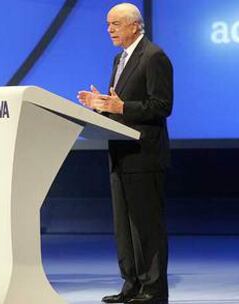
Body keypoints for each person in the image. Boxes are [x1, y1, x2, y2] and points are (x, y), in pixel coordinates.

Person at [77, 3, 173, 304]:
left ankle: (153, 290)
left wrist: (121, 107)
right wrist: (100, 105)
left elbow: (161, 106)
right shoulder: (119, 59)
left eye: (115, 24)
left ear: (134, 25)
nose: (109, 29)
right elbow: (119, 105)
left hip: (144, 155)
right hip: (120, 154)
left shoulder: (154, 57)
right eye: (108, 24)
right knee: (124, 227)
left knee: (147, 226)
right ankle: (131, 285)